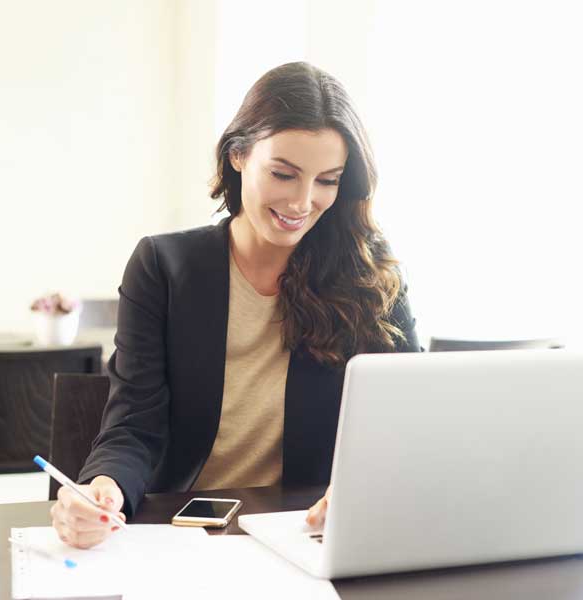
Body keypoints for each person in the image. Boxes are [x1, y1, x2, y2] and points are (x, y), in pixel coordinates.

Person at [50, 61, 420, 549]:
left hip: (307, 534)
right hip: (181, 535)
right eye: (284, 174)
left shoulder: (369, 275)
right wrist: (105, 488)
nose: (303, 202)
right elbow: (134, 425)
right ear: (238, 154)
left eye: (327, 180)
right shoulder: (163, 265)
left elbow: (411, 420)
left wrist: (366, 488)